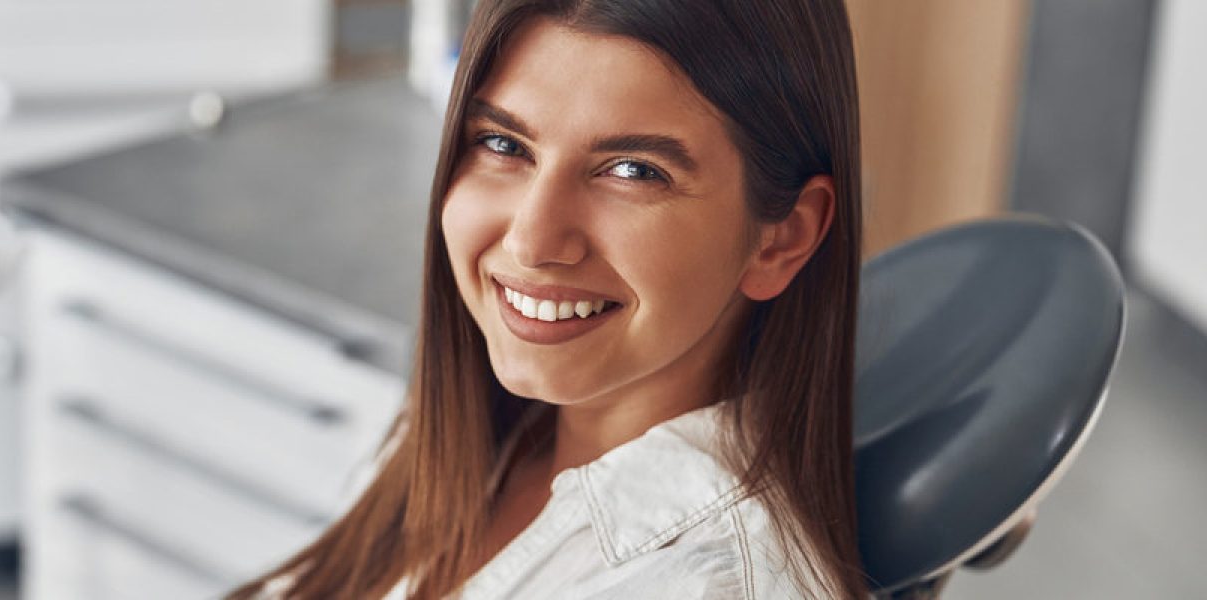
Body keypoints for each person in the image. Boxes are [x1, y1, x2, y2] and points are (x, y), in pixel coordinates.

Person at [230, 0, 866, 597]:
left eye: (633, 170)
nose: (533, 242)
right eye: (503, 144)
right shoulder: (474, 443)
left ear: (783, 239)